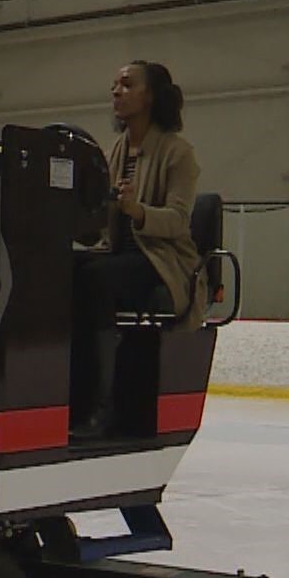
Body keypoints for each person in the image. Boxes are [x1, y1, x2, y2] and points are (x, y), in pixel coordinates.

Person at [71, 61, 201, 440]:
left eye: (127, 85)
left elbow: (178, 221)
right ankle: (73, 397)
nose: (116, 91)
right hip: (119, 254)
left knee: (94, 279)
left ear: (151, 96)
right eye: (115, 85)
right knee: (65, 270)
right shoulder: (116, 151)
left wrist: (137, 211)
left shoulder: (178, 153)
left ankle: (104, 404)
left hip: (161, 260)